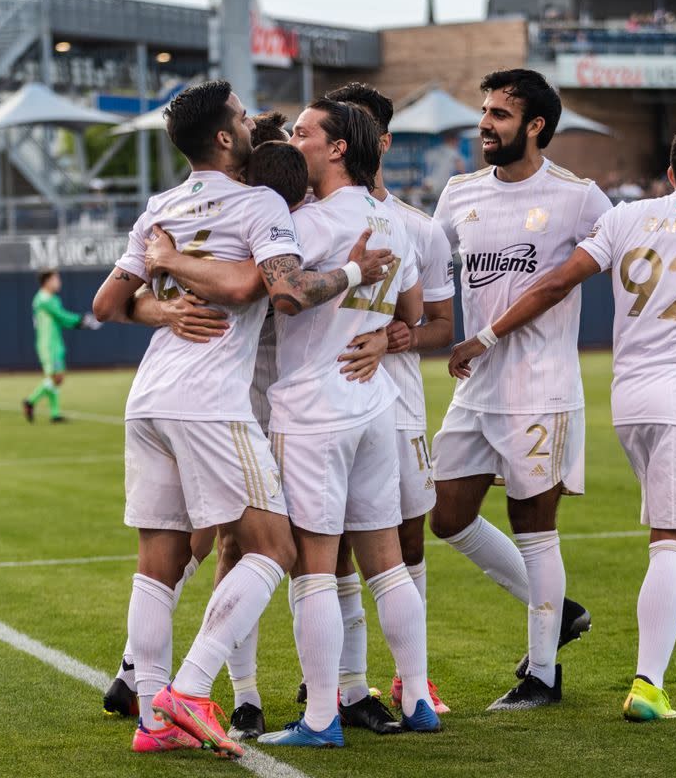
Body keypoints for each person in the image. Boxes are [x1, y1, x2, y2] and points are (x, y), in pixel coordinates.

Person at [90, 80, 394, 758]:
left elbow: (108, 303)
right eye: (241, 117)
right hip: (208, 401)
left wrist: (162, 299)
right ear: (225, 138)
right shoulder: (259, 201)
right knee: (273, 548)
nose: (253, 123)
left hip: (149, 398)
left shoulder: (161, 205)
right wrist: (350, 271)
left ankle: (151, 721)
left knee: (158, 563)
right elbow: (275, 290)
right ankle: (191, 691)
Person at [450, 126, 676, 721]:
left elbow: (558, 281)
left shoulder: (624, 218)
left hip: (629, 402)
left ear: (670, 172)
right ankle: (648, 684)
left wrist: (486, 334)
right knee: (673, 539)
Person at [255, 98, 437, 747]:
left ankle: (322, 717)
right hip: (373, 402)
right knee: (386, 564)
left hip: (312, 407)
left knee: (315, 570)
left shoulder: (301, 220)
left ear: (337, 149)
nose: (292, 142)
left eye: (303, 134)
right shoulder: (391, 217)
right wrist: (381, 333)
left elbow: (276, 292)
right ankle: (417, 697)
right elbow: (413, 311)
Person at [428, 68, 607, 712]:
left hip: (542, 388)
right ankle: (559, 614)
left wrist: (488, 336)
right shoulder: (458, 193)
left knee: (534, 525)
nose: (485, 123)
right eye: (485, 111)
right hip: (476, 389)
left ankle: (542, 675)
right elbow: (423, 262)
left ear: (535, 126)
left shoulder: (580, 198)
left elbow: (594, 271)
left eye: (500, 114)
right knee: (446, 515)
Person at [323, 81, 455, 721]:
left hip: (396, 404)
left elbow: (439, 324)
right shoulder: (309, 214)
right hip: (331, 399)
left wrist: (404, 336)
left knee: (406, 541)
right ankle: (347, 684)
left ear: (380, 141)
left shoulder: (416, 229)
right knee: (334, 544)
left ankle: (410, 683)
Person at [21, 270, 100, 424]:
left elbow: (62, 321)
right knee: (57, 377)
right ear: (47, 281)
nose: (59, 283)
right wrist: (82, 320)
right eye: (56, 279)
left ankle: (55, 414)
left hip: (55, 343)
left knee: (55, 378)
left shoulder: (52, 299)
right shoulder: (43, 299)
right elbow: (61, 315)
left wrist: (81, 323)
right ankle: (30, 401)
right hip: (48, 344)